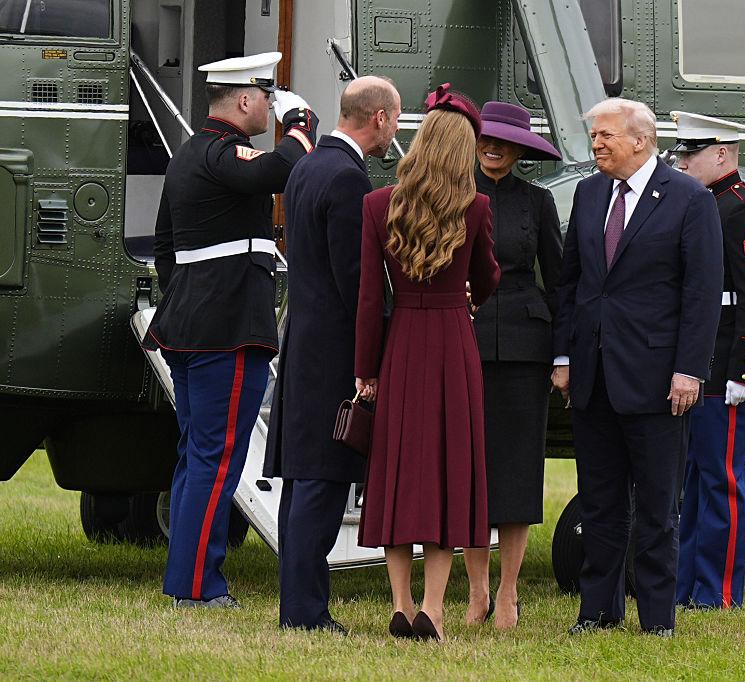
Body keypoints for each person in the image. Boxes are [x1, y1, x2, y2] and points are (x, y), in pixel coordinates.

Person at [144, 52, 317, 608]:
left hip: (191, 325)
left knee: (197, 455)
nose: (270, 105)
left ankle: (185, 580)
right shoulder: (223, 151)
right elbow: (277, 170)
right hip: (226, 330)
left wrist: (191, 295)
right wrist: (301, 126)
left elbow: (165, 248)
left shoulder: (188, 154)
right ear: (244, 99)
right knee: (216, 459)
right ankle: (197, 587)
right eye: (267, 96)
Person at [551, 98, 722, 636]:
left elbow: (701, 294)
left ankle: (656, 619)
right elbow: (572, 283)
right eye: (595, 135)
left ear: (641, 140)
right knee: (600, 502)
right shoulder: (589, 193)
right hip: (593, 377)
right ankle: (597, 611)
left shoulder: (690, 200)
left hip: (657, 381)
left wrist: (689, 370)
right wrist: (564, 356)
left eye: (606, 135)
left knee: (656, 506)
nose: (597, 144)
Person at [354, 84, 500, 642]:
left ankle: (400, 602)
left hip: (401, 344)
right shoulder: (476, 207)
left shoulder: (377, 204)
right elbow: (487, 277)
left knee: (396, 471)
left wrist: (366, 369)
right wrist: (470, 293)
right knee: (447, 472)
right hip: (453, 342)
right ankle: (433, 610)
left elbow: (370, 299)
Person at [263, 76, 401, 632]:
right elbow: (356, 282)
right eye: (395, 120)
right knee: (321, 481)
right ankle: (305, 611)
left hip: (303, 343)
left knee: (302, 483)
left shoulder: (306, 166)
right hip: (334, 353)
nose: (394, 131)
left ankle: (297, 605)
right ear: (379, 118)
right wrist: (378, 350)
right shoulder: (348, 179)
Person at [671, 112, 745, 610]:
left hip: (726, 367)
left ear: (721, 154)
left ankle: (719, 591)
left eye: (691, 153)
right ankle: (687, 585)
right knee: (695, 479)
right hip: (699, 360)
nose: (682, 162)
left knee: (722, 480)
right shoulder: (703, 204)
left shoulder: (744, 210)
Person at [462, 101, 563, 630]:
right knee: (471, 468)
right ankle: (477, 591)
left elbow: (561, 281)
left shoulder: (539, 202)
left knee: (518, 471)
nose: (493, 148)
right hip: (466, 342)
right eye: (486, 138)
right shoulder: (455, 195)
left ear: (520, 149)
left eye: (504, 141)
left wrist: (564, 355)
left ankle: (508, 592)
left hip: (527, 348)